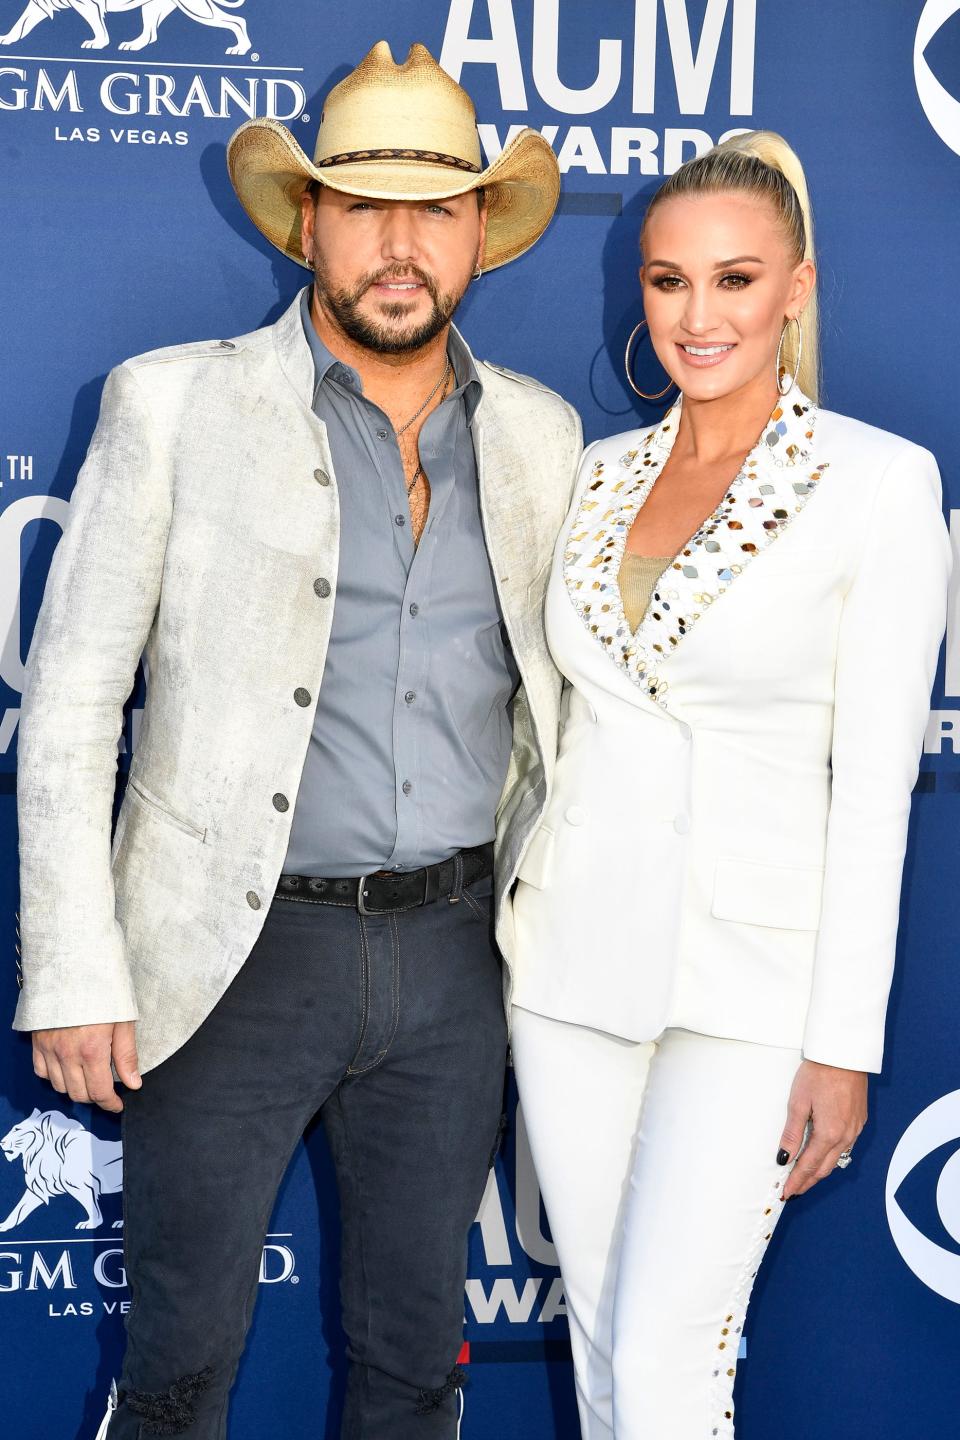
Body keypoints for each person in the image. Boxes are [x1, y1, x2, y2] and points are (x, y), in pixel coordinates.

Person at [13, 41, 582, 1440]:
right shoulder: (173, 404)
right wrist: (75, 970)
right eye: (365, 206)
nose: (401, 244)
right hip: (224, 963)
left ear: (480, 238)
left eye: (435, 209)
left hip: (456, 967)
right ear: (308, 221)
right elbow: (75, 703)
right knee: (180, 1369)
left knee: (410, 1370)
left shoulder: (545, 439)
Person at [507, 130, 952, 1439]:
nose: (698, 317)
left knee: (665, 1371)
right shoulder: (598, 477)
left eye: (735, 280)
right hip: (567, 968)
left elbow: (877, 785)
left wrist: (842, 1044)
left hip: (752, 991)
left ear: (796, 288)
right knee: (602, 1355)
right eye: (668, 282)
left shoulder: (878, 484)